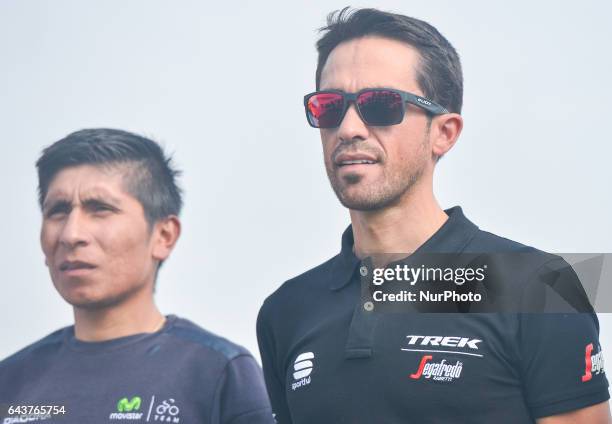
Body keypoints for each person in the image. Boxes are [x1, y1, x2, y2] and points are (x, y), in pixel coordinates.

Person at [256, 8, 610, 424]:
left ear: (444, 132)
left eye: (380, 105)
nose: (349, 127)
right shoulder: (285, 310)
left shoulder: (541, 286)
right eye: (330, 106)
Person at [0, 128, 274, 424]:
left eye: (100, 209)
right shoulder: (12, 382)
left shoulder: (217, 371)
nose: (71, 234)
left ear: (164, 235)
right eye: (57, 210)